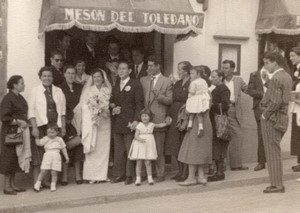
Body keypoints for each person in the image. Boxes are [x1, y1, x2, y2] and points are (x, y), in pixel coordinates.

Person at [28, 66, 66, 186]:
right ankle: (36, 181)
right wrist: (34, 127)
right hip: (40, 126)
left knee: (52, 153)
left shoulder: (58, 91)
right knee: (38, 155)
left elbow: (63, 111)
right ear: (40, 77)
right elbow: (31, 111)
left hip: (54, 127)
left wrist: (63, 127)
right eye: (44, 76)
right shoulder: (35, 91)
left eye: (49, 76)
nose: (47, 78)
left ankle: (47, 181)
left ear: (53, 77)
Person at [260, 52, 292, 193]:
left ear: (275, 62)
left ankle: (277, 185)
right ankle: (277, 183)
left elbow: (275, 102)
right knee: (275, 151)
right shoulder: (286, 76)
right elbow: (280, 95)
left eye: (267, 63)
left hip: (272, 119)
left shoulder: (276, 78)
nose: (265, 66)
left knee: (272, 152)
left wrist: (264, 115)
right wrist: (267, 81)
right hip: (283, 117)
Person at [177, 66, 213, 186]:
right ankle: (200, 176)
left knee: (193, 148)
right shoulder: (207, 93)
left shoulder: (198, 95)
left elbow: (193, 106)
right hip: (204, 121)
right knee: (199, 148)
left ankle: (192, 177)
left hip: (198, 123)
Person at [110, 61, 144, 185]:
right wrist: (112, 108)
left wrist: (136, 120)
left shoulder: (135, 84)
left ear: (130, 71)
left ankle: (130, 174)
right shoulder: (116, 84)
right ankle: (119, 174)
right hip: (118, 121)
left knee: (130, 149)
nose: (121, 71)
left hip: (130, 121)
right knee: (118, 150)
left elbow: (139, 103)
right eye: (119, 69)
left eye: (124, 69)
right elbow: (112, 101)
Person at [140, 55, 173, 182]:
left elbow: (170, 100)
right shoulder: (143, 80)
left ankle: (160, 174)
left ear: (158, 66)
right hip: (145, 119)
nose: (148, 68)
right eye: (148, 65)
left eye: (151, 65)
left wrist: (159, 96)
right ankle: (145, 173)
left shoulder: (167, 81)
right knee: (145, 146)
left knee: (159, 148)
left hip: (159, 118)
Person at [0, 75, 30, 195]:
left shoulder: (20, 97)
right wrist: (19, 122)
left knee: (15, 157)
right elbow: (4, 117)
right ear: (14, 85)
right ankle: (7, 186)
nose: (23, 85)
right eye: (21, 83)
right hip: (10, 133)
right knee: (9, 157)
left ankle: (13, 184)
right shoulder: (8, 98)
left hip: (19, 132)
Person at [81, 68, 111, 183]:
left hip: (105, 122)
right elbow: (84, 106)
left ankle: (102, 175)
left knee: (104, 149)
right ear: (92, 79)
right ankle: (92, 176)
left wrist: (105, 110)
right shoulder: (89, 90)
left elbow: (112, 104)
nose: (97, 79)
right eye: (95, 77)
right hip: (93, 122)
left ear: (103, 78)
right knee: (93, 149)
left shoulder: (107, 90)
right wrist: (94, 110)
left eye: (99, 76)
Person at [129, 109, 170, 186]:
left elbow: (159, 125)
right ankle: (138, 179)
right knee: (139, 162)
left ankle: (150, 178)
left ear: (150, 117)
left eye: (146, 116)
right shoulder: (139, 125)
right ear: (140, 117)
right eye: (143, 116)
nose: (144, 118)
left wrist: (166, 123)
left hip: (148, 144)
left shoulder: (151, 124)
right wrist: (140, 139)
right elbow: (136, 135)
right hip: (140, 144)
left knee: (148, 162)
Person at [165, 61, 191, 182]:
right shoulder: (178, 83)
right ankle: (180, 171)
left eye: (180, 69)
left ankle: (186, 172)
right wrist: (168, 114)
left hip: (185, 115)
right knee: (175, 144)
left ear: (186, 71)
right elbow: (173, 100)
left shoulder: (192, 83)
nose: (178, 72)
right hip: (175, 114)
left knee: (184, 144)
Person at [222, 60, 249, 171]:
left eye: (226, 68)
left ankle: (236, 164)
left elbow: (248, 90)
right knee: (221, 136)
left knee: (237, 136)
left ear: (233, 69)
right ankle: (220, 165)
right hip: (221, 110)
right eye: (223, 67)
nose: (224, 70)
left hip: (233, 109)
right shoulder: (219, 79)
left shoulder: (238, 80)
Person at [59, 66, 84, 185]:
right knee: (65, 147)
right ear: (64, 74)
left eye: (73, 73)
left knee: (78, 146)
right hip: (66, 122)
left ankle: (78, 175)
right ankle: (64, 177)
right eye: (68, 73)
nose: (71, 75)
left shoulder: (80, 87)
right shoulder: (59, 88)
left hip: (78, 122)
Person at [207, 70, 231, 182]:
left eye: (214, 77)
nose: (212, 79)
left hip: (218, 120)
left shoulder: (224, 89)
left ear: (220, 77)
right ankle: (218, 171)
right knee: (217, 145)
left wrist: (213, 104)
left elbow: (225, 105)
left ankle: (220, 172)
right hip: (214, 119)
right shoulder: (217, 89)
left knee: (219, 145)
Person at [34, 124, 69, 192]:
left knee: (54, 172)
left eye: (52, 132)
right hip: (47, 155)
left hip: (56, 155)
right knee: (43, 170)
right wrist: (36, 137)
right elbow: (38, 143)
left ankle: (53, 185)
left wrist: (66, 157)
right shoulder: (45, 138)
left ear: (57, 132)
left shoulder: (59, 139)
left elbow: (63, 148)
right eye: (48, 133)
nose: (50, 134)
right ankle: (37, 184)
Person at [248, 67, 268, 171]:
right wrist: (262, 94)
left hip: (274, 106)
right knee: (261, 135)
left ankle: (272, 159)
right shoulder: (254, 74)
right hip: (260, 107)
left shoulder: (276, 72)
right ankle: (261, 161)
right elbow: (250, 90)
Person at [186, 67, 210, 136]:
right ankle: (200, 127)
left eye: (192, 73)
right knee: (199, 115)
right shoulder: (203, 81)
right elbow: (206, 90)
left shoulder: (194, 82)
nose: (191, 75)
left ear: (198, 74)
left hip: (195, 99)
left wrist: (189, 89)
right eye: (190, 73)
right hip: (202, 99)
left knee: (192, 112)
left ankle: (190, 124)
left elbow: (192, 92)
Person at [289, 47, 300, 172]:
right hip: (296, 105)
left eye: (293, 55)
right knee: (297, 134)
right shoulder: (296, 70)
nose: (291, 58)